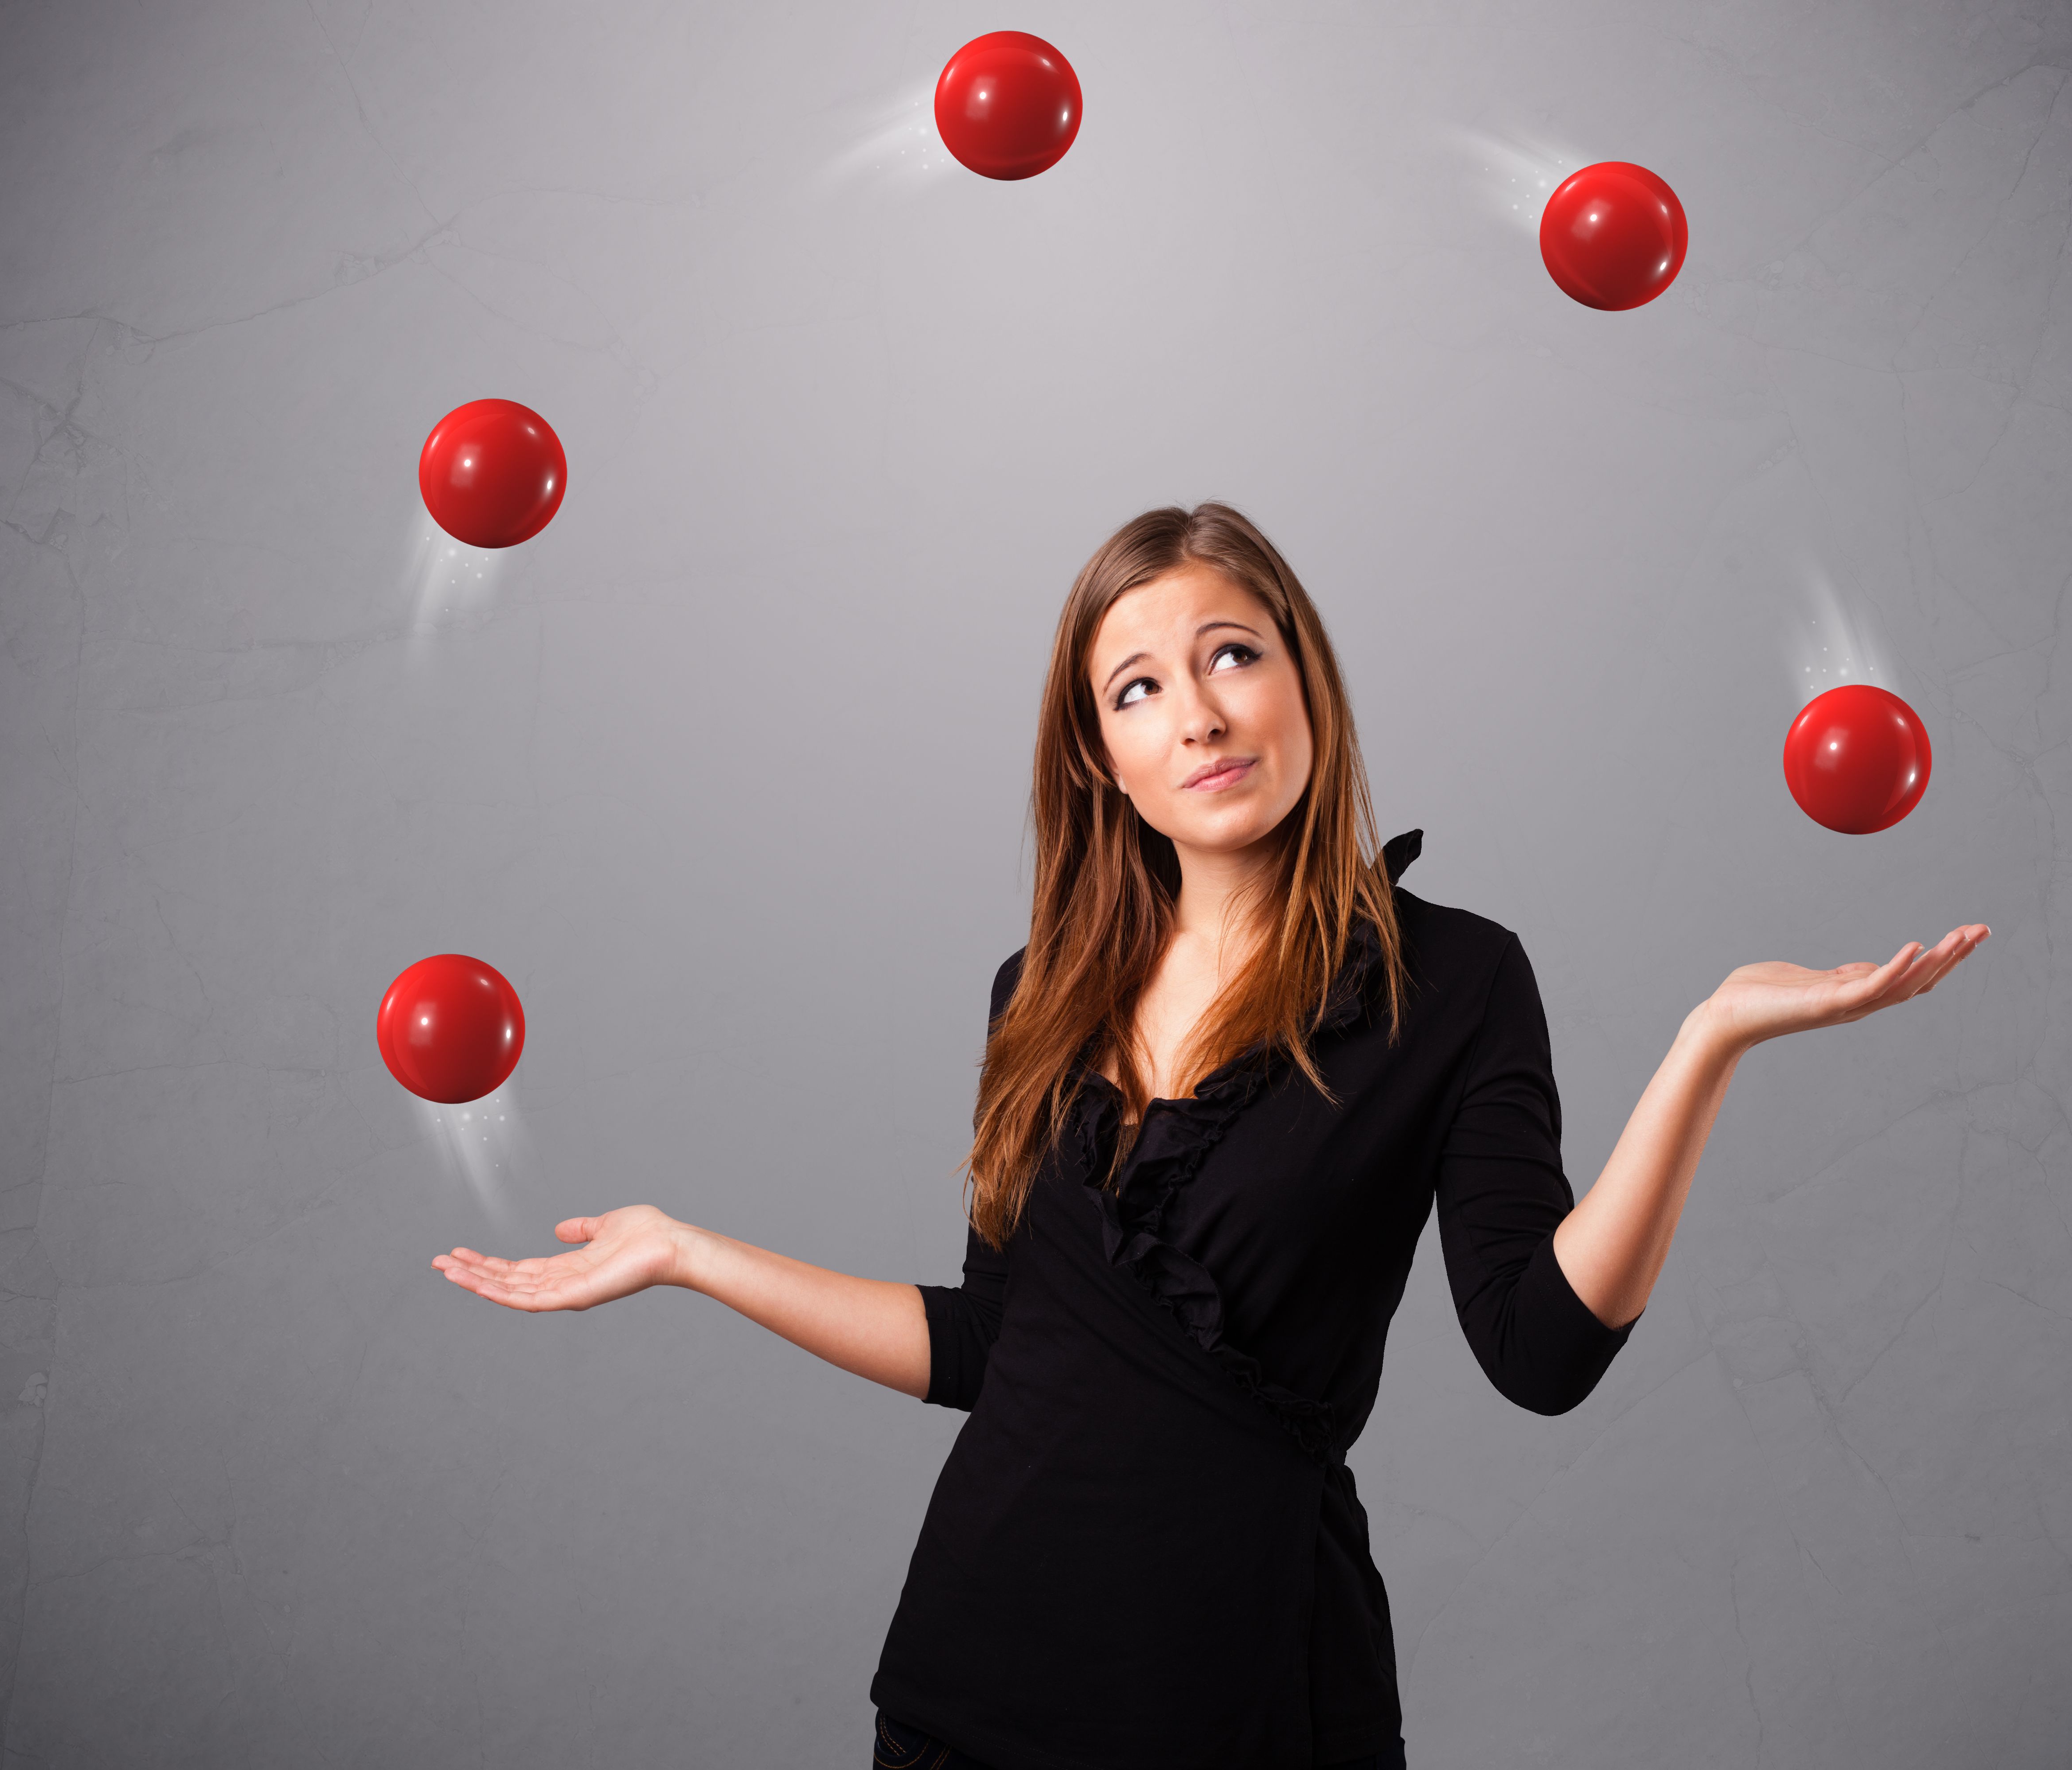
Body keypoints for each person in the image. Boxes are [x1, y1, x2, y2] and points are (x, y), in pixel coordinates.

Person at [432, 503, 1987, 1770]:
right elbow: (994, 1346)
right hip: (973, 1679)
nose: (1199, 712)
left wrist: (1707, 1044)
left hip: (1245, 1693)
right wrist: (691, 1255)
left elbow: (1541, 1349)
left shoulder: (1454, 981)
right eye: (1140, 688)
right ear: (1103, 759)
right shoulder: (1034, 994)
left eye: (1231, 654)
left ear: (1304, 677)